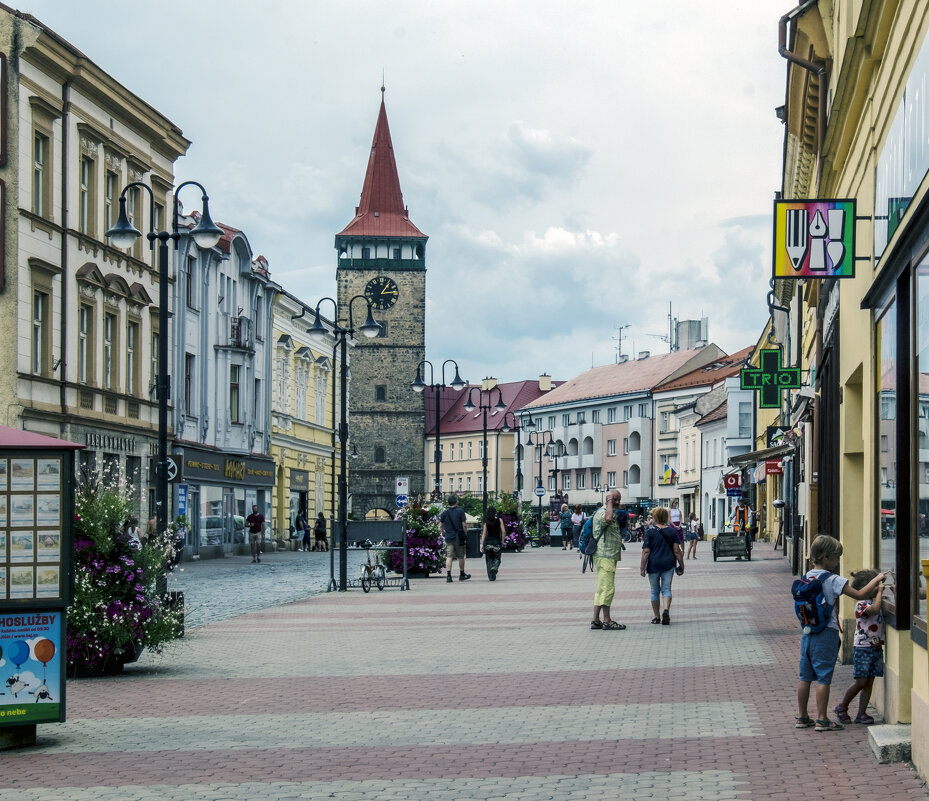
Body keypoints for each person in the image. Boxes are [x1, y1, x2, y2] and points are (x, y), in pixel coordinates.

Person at [795, 534, 888, 732]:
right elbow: (860, 594)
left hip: (808, 632)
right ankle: (822, 719)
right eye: (837, 557)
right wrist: (877, 579)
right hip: (826, 633)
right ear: (826, 557)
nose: (838, 562)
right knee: (823, 678)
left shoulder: (807, 576)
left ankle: (802, 717)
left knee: (805, 677)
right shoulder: (833, 579)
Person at [833, 568, 890, 725]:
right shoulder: (861, 604)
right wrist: (879, 592)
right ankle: (842, 706)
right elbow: (875, 610)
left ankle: (861, 713)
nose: (879, 588)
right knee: (861, 681)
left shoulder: (874, 600)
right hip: (863, 648)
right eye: (876, 586)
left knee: (869, 682)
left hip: (876, 646)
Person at [589, 490, 628, 630]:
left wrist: (612, 503)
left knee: (602, 588)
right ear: (608, 500)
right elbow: (608, 519)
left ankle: (595, 620)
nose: (617, 502)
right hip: (605, 555)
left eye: (619, 499)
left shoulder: (609, 511)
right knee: (608, 588)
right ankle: (607, 620)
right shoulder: (603, 512)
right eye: (615, 499)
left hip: (608, 555)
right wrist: (610, 502)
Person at [640, 506, 685, 625]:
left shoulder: (650, 532)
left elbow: (646, 551)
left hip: (653, 564)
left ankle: (656, 617)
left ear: (655, 517)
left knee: (654, 591)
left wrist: (642, 567)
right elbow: (677, 550)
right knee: (666, 589)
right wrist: (682, 565)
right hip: (668, 564)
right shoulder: (672, 531)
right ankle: (666, 610)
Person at [439, 494, 470, 582]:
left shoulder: (444, 512)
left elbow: (441, 525)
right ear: (456, 502)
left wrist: (443, 532)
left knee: (449, 556)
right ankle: (462, 574)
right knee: (461, 556)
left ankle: (449, 576)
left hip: (449, 537)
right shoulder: (460, 511)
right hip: (459, 537)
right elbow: (464, 525)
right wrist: (465, 533)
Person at [480, 505, 506, 581]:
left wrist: (482, 544)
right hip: (497, 543)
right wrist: (502, 541)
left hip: (488, 543)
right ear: (495, 513)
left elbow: (484, 533)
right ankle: (495, 567)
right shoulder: (499, 520)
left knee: (489, 560)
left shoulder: (486, 522)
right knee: (497, 558)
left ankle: (491, 577)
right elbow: (503, 531)